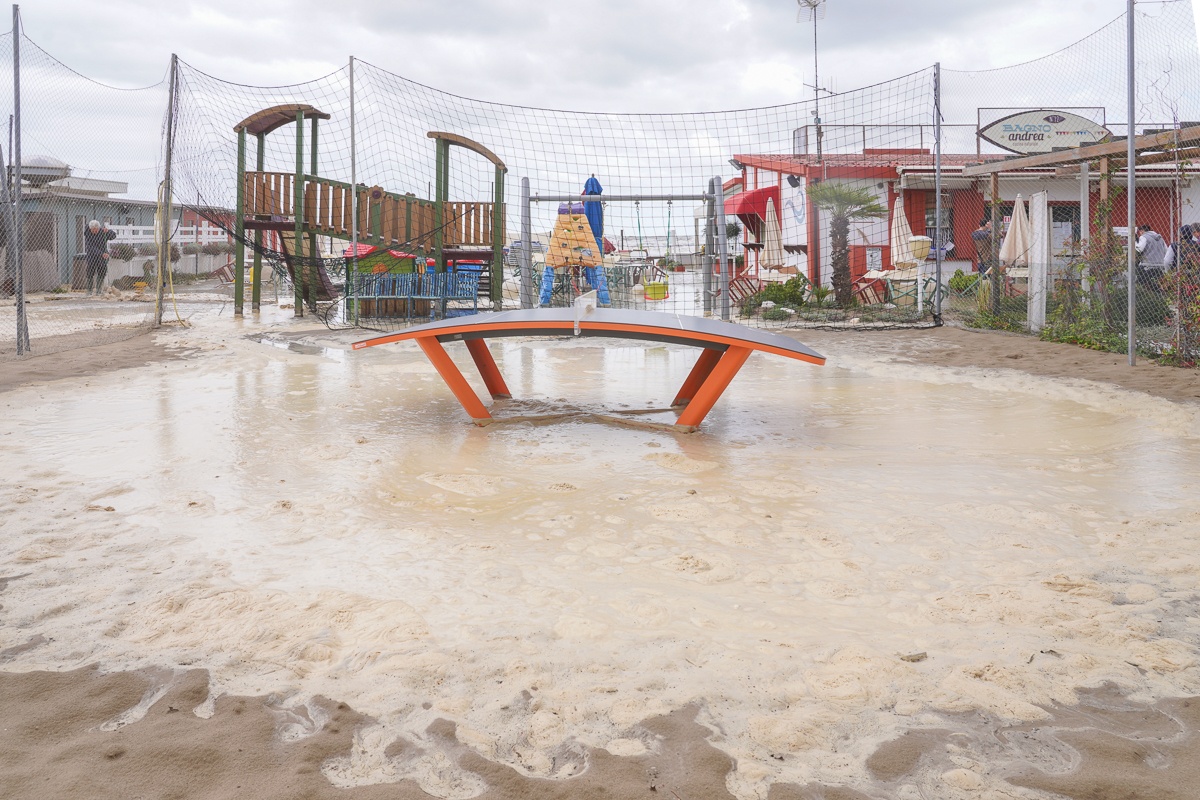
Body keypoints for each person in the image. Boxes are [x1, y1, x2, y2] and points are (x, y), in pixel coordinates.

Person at [83, 219, 116, 295]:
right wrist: (101, 254)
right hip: (92, 256)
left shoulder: (102, 232)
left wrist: (108, 231)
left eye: (96, 229)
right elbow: (91, 247)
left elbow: (113, 236)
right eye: (93, 230)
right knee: (90, 272)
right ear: (90, 229)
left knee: (102, 271)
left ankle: (99, 290)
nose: (94, 231)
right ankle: (89, 290)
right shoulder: (88, 234)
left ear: (99, 228)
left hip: (102, 256)